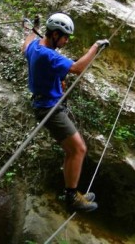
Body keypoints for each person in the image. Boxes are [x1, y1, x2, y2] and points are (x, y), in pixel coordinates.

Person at [22, 12, 109, 212]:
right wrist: (96, 47)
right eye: (64, 37)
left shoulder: (36, 47)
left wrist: (31, 30)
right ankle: (72, 197)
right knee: (78, 150)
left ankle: (73, 192)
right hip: (49, 109)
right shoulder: (48, 55)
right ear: (53, 35)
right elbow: (78, 68)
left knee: (73, 150)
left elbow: (25, 46)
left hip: (46, 105)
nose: (66, 41)